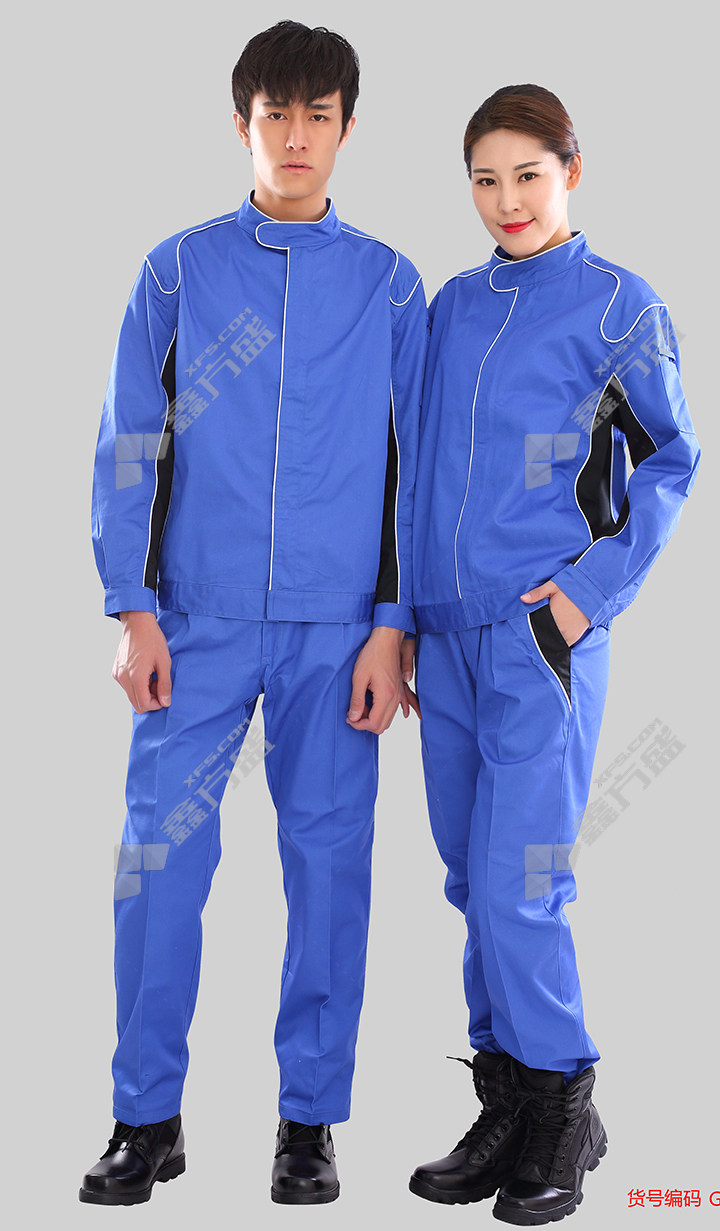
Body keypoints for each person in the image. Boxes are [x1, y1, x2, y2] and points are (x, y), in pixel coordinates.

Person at [79, 20, 426, 1207]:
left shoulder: (389, 283)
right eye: (274, 113)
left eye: (316, 114)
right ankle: (145, 1118)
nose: (294, 135)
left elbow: (412, 465)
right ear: (241, 124)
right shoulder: (177, 271)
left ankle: (307, 1121)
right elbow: (130, 443)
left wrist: (391, 622)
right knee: (158, 864)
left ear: (346, 128)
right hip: (196, 622)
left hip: (338, 633)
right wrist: (131, 606)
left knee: (328, 874)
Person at [407, 84, 700, 1225]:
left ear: (570, 170)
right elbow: (416, 467)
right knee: (468, 878)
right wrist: (404, 617)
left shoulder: (618, 306)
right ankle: (507, 1101)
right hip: (444, 634)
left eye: (526, 175)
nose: (506, 200)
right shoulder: (451, 305)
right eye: (484, 180)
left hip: (540, 637)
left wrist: (583, 596)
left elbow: (673, 459)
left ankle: (564, 1104)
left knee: (522, 879)